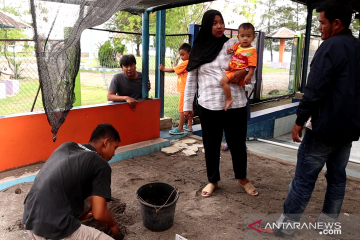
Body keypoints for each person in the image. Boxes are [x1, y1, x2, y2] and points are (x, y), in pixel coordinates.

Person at [260, 0, 360, 237]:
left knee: (304, 180)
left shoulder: (329, 47)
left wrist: (299, 120)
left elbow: (315, 89)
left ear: (336, 23)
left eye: (322, 23)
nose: (320, 28)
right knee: (337, 177)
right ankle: (327, 223)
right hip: (347, 130)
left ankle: (285, 228)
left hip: (324, 128)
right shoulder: (357, 46)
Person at [183, 10, 258, 197]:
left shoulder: (232, 44)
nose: (219, 26)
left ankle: (242, 178)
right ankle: (213, 180)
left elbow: (249, 64)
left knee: (238, 143)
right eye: (214, 23)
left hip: (236, 104)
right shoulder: (198, 50)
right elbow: (191, 80)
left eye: (221, 22)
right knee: (211, 144)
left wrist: (246, 79)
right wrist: (187, 106)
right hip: (209, 105)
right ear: (207, 25)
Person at [23, 123, 121, 239]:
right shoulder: (101, 165)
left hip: (30, 219)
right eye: (114, 148)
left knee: (87, 199)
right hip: (53, 228)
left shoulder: (66, 146)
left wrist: (83, 213)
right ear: (106, 142)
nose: (114, 153)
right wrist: (113, 225)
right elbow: (99, 214)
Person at [220, 23, 257, 111]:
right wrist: (230, 49)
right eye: (242, 36)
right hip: (233, 71)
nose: (245, 38)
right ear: (238, 37)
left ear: (253, 37)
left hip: (240, 73)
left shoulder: (252, 51)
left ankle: (229, 99)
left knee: (223, 81)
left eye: (248, 36)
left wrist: (249, 75)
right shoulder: (238, 45)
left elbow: (253, 65)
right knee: (228, 83)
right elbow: (232, 49)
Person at [158, 43, 194, 135]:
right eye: (180, 55)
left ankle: (180, 128)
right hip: (189, 89)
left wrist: (163, 69)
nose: (181, 57)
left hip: (184, 89)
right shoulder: (192, 62)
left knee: (182, 109)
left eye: (183, 54)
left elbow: (174, 70)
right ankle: (189, 125)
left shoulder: (186, 63)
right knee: (189, 107)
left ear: (189, 54)